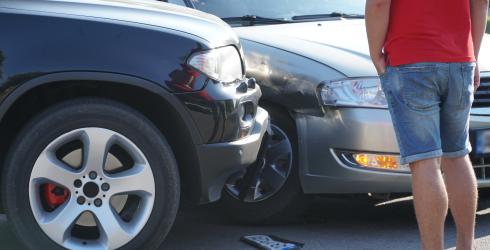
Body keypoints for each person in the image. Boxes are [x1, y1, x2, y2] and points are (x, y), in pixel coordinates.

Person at [365, 0, 489, 249]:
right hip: (460, 60)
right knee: (457, 155)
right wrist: (472, 56)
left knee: (425, 162)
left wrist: (375, 54)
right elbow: (481, 2)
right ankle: (466, 246)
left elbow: (379, 3)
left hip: (411, 60)